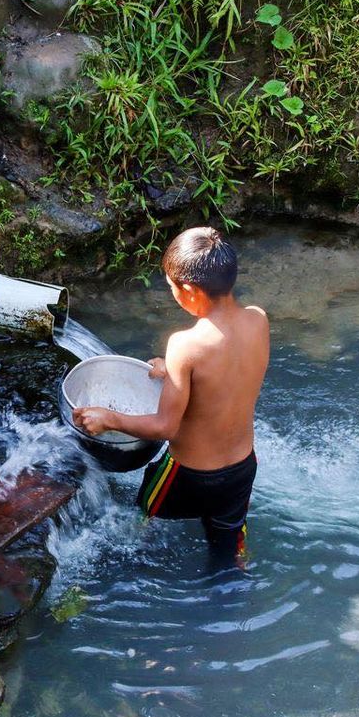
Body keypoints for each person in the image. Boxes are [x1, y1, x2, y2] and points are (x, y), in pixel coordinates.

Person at [73, 227, 269, 561]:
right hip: (241, 469)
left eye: (172, 288)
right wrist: (176, 369)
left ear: (190, 290)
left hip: (188, 474)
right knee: (227, 550)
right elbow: (226, 370)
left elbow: (166, 428)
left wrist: (110, 418)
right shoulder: (258, 319)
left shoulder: (184, 344)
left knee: (139, 522)